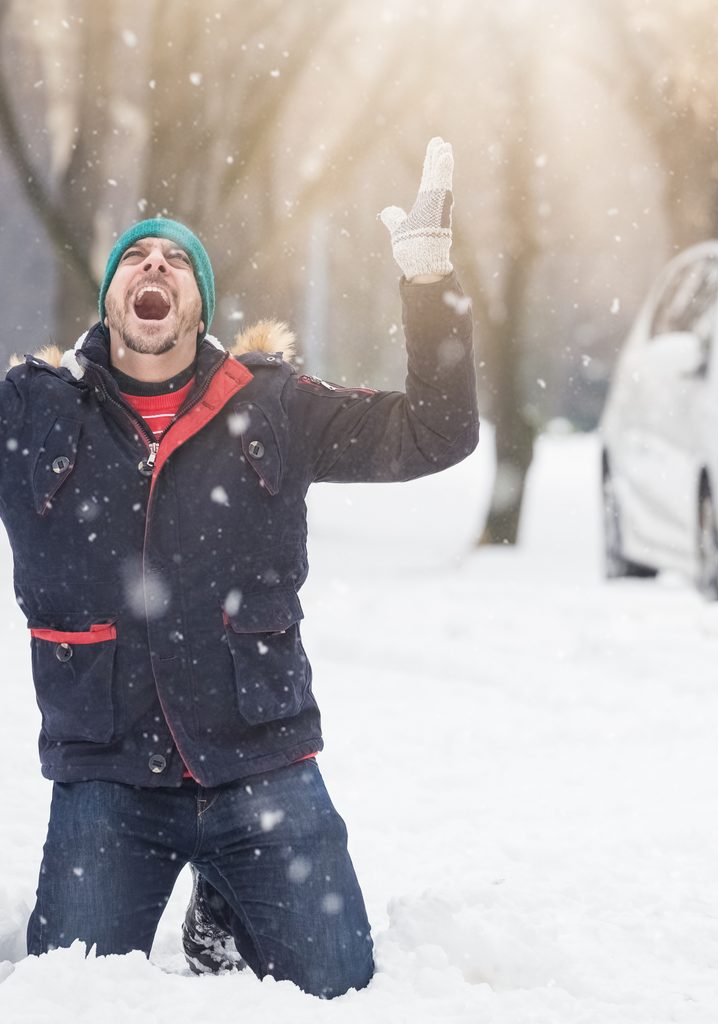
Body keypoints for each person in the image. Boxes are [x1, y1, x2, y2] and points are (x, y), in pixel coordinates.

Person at [13, 137, 477, 999]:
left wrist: (428, 286)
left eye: (176, 262)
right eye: (137, 259)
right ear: (113, 296)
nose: (155, 267)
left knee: (340, 993)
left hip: (262, 769)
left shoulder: (272, 405)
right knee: (60, 1001)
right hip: (108, 774)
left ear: (197, 306)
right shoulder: (34, 412)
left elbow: (435, 434)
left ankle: (221, 908)